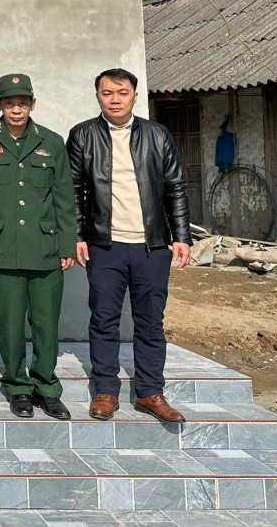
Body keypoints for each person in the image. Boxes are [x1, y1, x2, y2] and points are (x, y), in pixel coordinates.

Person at [68, 67, 191, 423]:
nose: (115, 99)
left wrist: (181, 236)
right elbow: (74, 191)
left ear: (135, 96)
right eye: (107, 93)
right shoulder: (83, 135)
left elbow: (175, 187)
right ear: (98, 97)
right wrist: (77, 235)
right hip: (104, 244)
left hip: (152, 245)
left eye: (122, 92)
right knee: (104, 319)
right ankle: (106, 390)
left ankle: (151, 392)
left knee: (151, 321)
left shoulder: (157, 135)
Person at [0, 74, 74, 420]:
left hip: (44, 246)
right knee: (10, 323)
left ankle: (46, 386)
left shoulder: (52, 142)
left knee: (46, 323)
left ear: (33, 104)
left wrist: (68, 244)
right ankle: (18, 387)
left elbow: (63, 198)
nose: (16, 109)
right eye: (9, 103)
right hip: (1, 247)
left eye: (23, 103)